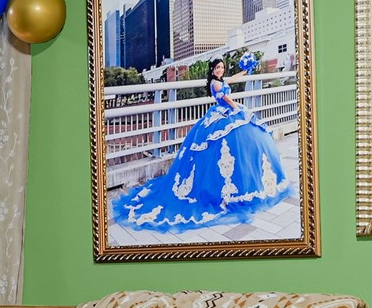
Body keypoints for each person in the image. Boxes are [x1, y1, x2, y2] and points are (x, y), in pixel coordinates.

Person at [111, 57, 292, 232]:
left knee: (243, 146)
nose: (220, 70)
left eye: (222, 67)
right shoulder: (215, 83)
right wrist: (237, 108)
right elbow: (227, 99)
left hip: (226, 113)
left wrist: (245, 71)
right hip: (225, 113)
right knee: (223, 150)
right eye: (217, 68)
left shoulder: (221, 80)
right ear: (212, 70)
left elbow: (232, 80)